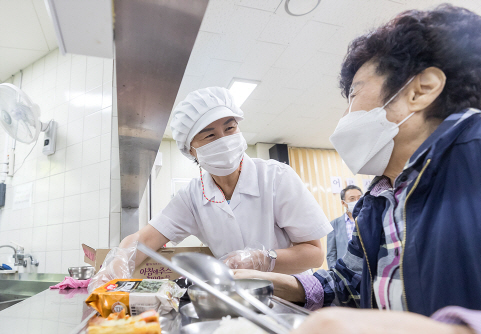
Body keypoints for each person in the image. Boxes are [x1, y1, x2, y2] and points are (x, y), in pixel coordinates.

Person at [234, 4, 481, 333]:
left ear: (421, 90)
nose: (346, 115)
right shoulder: (376, 203)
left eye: (354, 94)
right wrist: (270, 282)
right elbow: (345, 284)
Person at [89, 87, 332, 290]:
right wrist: (115, 267)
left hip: (289, 296)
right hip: (235, 300)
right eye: (210, 136)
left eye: (230, 128)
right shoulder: (192, 197)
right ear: (190, 150)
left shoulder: (276, 177)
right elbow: (144, 239)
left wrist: (261, 259)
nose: (224, 140)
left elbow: (314, 253)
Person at [326, 185, 363, 268]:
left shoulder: (369, 220)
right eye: (352, 199)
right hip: (345, 271)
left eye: (359, 198)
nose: (357, 201)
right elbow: (331, 254)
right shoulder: (334, 224)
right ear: (343, 202)